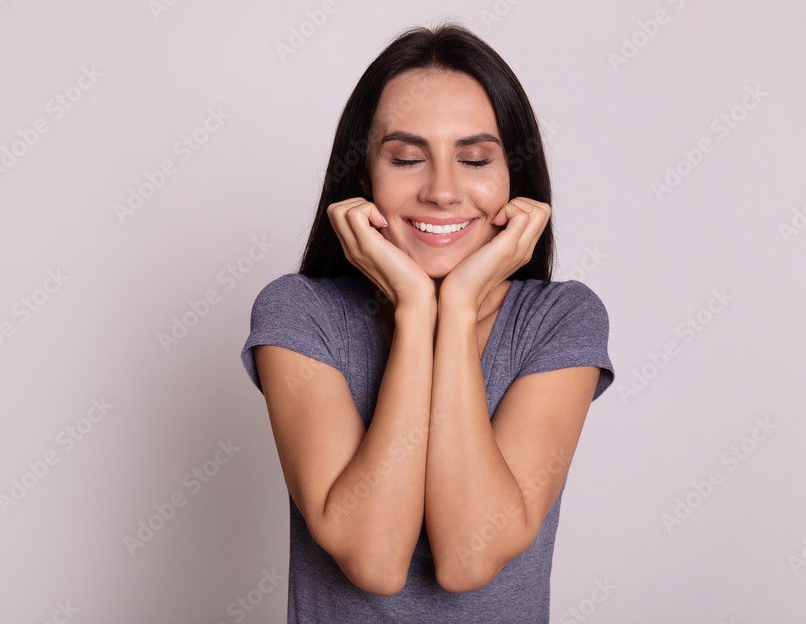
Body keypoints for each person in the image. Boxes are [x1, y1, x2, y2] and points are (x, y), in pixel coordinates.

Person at [240, 22, 614, 623]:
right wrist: (417, 310)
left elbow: (468, 558)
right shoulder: (299, 312)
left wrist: (457, 306)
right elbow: (374, 559)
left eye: (474, 159)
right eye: (408, 159)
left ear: (514, 177)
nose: (442, 191)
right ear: (363, 178)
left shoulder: (560, 320)